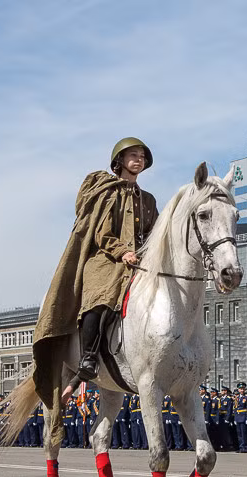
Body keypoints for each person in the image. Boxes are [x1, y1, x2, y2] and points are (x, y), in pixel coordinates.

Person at [29, 138, 158, 406]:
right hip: (107, 259)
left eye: (142, 156)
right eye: (133, 155)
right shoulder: (108, 193)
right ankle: (88, 356)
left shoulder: (148, 199)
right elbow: (102, 232)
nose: (139, 159)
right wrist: (123, 252)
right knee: (101, 296)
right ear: (119, 161)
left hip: (139, 261)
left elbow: (155, 233)